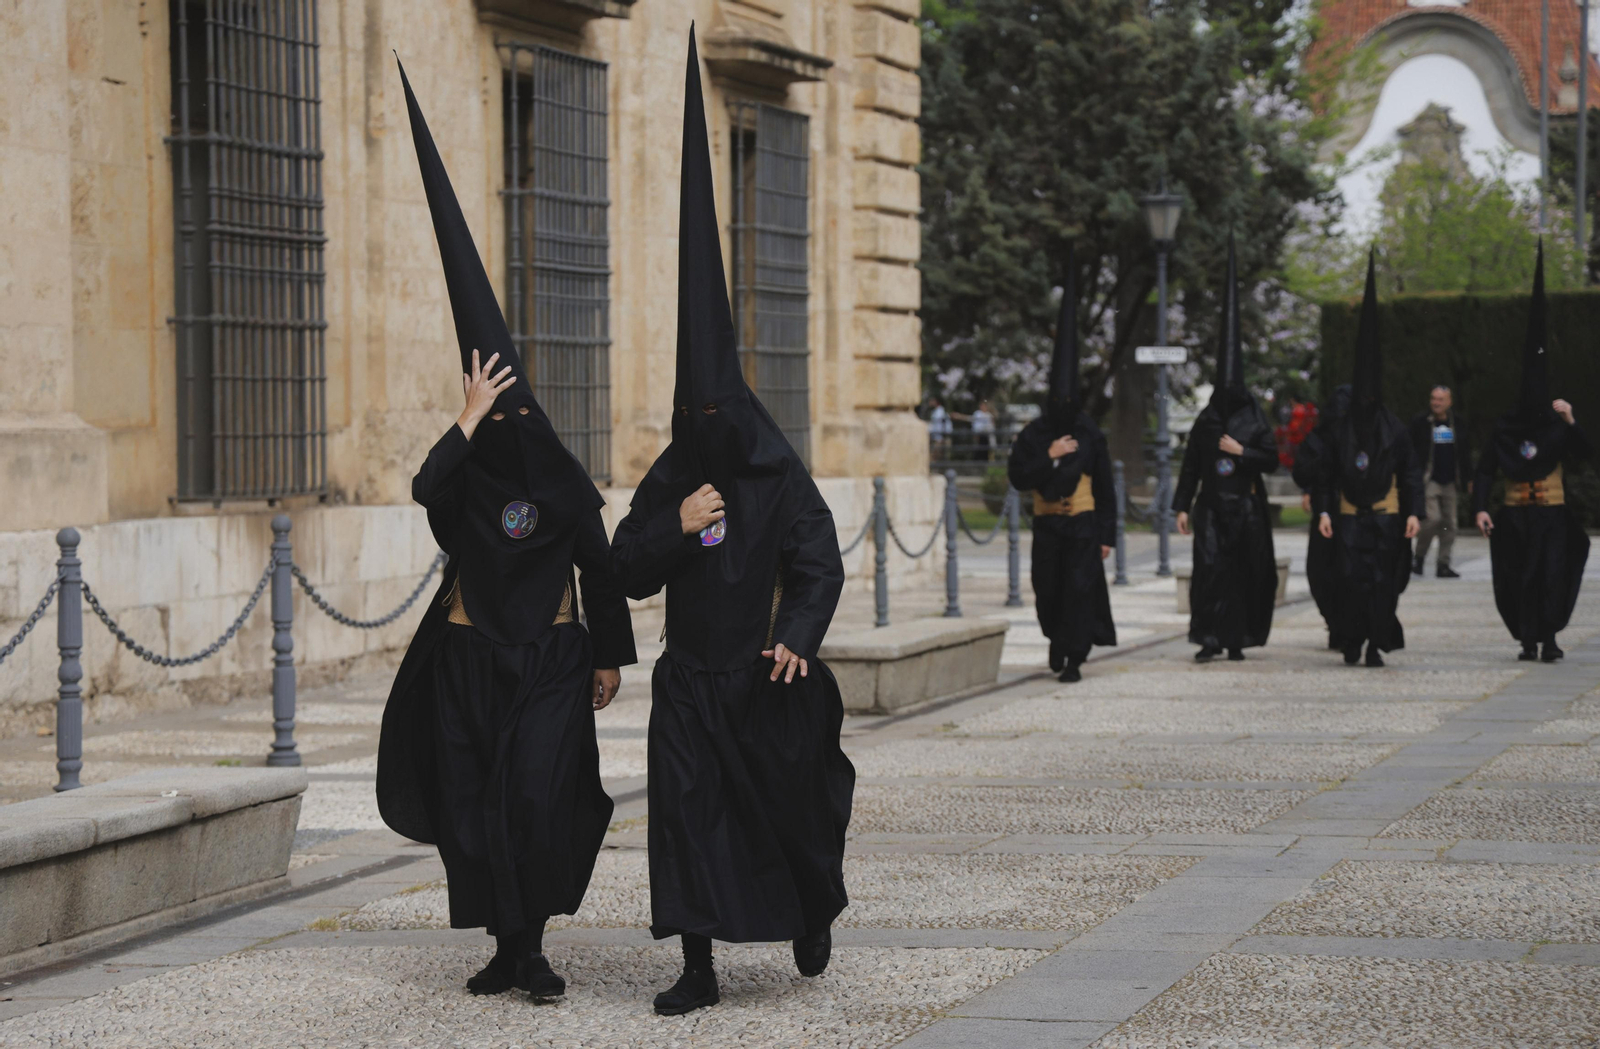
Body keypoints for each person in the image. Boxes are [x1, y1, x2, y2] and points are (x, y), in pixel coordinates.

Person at [377, 61, 636, 1002]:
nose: (508, 424)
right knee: (474, 806)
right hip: (468, 656)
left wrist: (609, 655)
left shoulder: (559, 475)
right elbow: (422, 487)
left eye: (509, 404)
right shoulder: (467, 475)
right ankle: (501, 941)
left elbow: (596, 562)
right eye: (497, 411)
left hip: (553, 658)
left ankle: (532, 947)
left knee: (535, 795)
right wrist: (464, 417)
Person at [608, 29, 854, 1017]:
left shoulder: (777, 473)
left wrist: (796, 636)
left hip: (762, 674)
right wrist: (677, 519)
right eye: (692, 423)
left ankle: (808, 910)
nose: (706, 435)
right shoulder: (677, 475)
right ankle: (698, 961)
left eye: (717, 420)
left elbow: (820, 560)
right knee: (685, 814)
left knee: (780, 807)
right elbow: (624, 565)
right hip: (687, 679)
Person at [1473, 243, 1590, 662]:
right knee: (1519, 575)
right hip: (1516, 514)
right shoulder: (1506, 429)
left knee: (1553, 575)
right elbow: (1486, 468)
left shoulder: (1558, 426)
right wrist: (1480, 508)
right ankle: (1527, 637)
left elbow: (1585, 454)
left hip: (1552, 515)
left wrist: (1572, 421)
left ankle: (1551, 636)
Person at [1007, 248, 1116, 683]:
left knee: (1079, 590)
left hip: (1084, 527)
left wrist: (1108, 533)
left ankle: (1074, 656)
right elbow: (1018, 477)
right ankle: (1057, 639)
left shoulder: (1090, 432)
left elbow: (1106, 485)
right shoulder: (1035, 434)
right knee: (1048, 592)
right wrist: (1049, 457)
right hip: (1049, 526)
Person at [1172, 238, 1279, 662]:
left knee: (1244, 574)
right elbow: (1192, 464)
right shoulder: (1207, 420)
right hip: (1212, 508)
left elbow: (1270, 460)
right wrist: (1183, 505)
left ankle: (1240, 638)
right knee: (1210, 573)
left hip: (1247, 509)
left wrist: (1242, 452)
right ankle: (1209, 639)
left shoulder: (1253, 419)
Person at [1313, 252, 1423, 667]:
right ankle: (1352, 640)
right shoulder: (1341, 429)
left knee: (1381, 583)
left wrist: (1414, 512)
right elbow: (1326, 471)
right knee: (1349, 582)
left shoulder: (1394, 428)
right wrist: (1324, 510)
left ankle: (1377, 643)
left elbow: (1410, 471)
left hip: (1384, 518)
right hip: (1347, 518)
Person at [1293, 385, 1351, 650]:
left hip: (1355, 513)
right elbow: (1304, 470)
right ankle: (1335, 622)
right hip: (1325, 513)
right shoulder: (1320, 438)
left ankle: (1347, 626)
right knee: (1320, 573)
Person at [1408, 384, 1471, 578]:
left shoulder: (1458, 423)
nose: (1436, 403)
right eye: (1433, 399)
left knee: (1449, 524)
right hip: (1429, 479)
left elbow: (1465, 453)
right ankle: (1419, 557)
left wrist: (1469, 478)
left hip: (1451, 480)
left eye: (1440, 399)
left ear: (1449, 402)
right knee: (1432, 519)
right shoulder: (1421, 422)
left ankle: (1443, 564)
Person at [927, 396, 952, 463]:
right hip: (938, 436)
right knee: (938, 455)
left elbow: (938, 426)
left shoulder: (939, 412)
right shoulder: (937, 411)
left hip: (939, 437)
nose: (930, 402)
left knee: (936, 455)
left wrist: (939, 438)